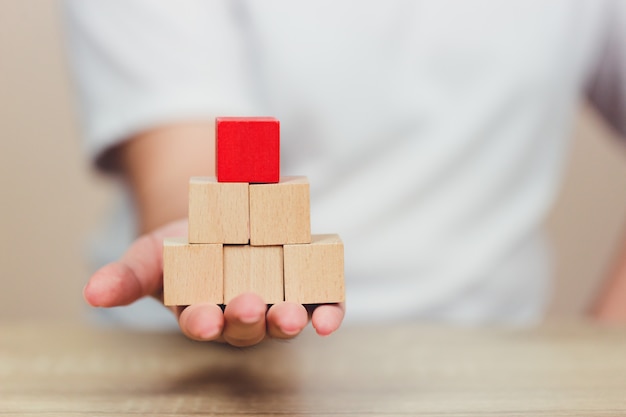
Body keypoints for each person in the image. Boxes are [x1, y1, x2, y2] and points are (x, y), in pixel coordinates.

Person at [63, 0, 626, 347]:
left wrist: (604, 352)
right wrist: (200, 244)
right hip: (183, 375)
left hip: (488, 360)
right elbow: (184, 154)